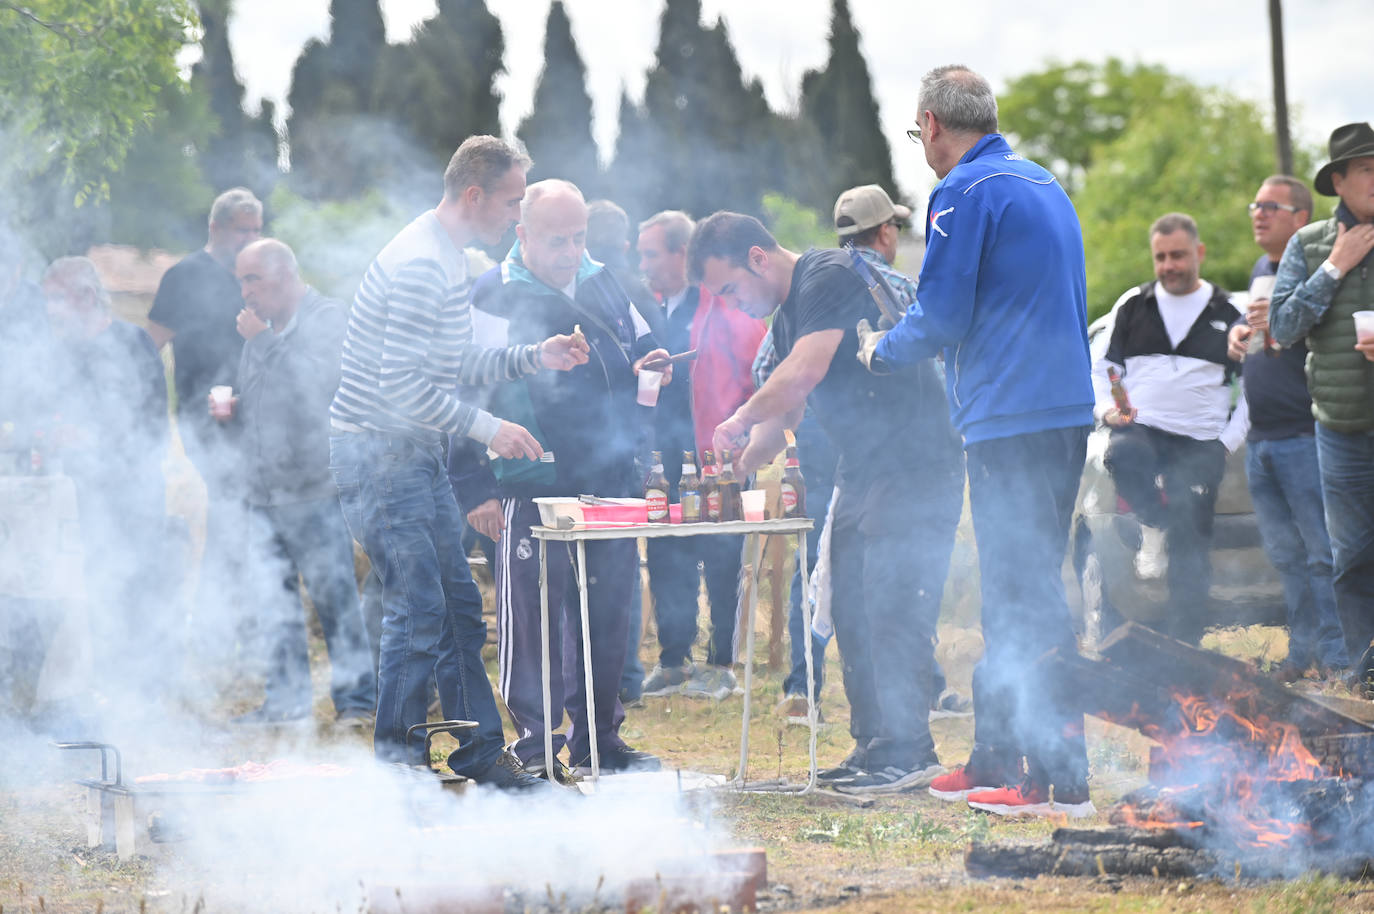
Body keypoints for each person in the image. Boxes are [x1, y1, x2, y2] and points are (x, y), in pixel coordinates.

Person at [861, 65, 1095, 817]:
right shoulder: (1043, 182)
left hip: (1013, 414)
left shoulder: (963, 190)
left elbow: (939, 317)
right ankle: (995, 754)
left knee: (1024, 598)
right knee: (1015, 591)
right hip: (1060, 407)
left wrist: (878, 350)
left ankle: (1057, 779)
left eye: (916, 132)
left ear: (931, 124)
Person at [328, 136, 588, 791]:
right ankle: (399, 771)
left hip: (413, 450)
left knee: (459, 609)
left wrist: (536, 355)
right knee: (418, 611)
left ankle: (479, 757)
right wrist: (490, 427)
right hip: (378, 452)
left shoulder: (449, 258)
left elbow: (451, 368)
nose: (516, 216)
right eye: (511, 202)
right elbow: (399, 388)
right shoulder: (421, 263)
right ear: (474, 195)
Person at [694, 212, 965, 795]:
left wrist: (739, 417)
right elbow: (788, 414)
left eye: (731, 289)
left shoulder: (827, 275)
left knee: (893, 609)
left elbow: (801, 374)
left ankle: (910, 750)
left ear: (759, 258)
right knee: (849, 608)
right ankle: (873, 746)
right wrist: (744, 459)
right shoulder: (789, 311)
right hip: (863, 468)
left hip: (917, 463)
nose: (733, 304)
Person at [452, 179, 664, 780]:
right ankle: (534, 746)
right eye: (555, 240)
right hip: (527, 479)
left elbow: (642, 346)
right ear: (521, 234)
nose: (570, 252)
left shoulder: (604, 281)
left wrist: (651, 369)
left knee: (607, 613)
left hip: (609, 475)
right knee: (534, 619)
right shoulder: (492, 292)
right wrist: (474, 486)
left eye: (578, 238)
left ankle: (599, 741)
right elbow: (464, 387)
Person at [211, 239, 377, 726]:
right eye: (241, 281)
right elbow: (272, 399)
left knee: (335, 599)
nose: (244, 293)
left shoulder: (326, 317)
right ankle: (285, 704)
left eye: (252, 280)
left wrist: (264, 340)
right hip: (264, 493)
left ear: (283, 274)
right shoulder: (263, 329)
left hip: (315, 489)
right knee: (273, 601)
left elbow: (320, 387)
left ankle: (357, 704)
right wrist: (234, 412)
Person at [1094, 213, 1248, 643]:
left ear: (1198, 254)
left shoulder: (1229, 313)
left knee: (1192, 546)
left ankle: (1186, 649)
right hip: (1144, 431)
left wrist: (1225, 444)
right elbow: (1100, 369)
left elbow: (1253, 388)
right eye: (1161, 257)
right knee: (1121, 453)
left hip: (1201, 441)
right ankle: (1152, 521)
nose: (1169, 265)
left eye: (1178, 255)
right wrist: (1108, 411)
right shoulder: (1132, 305)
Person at [635, 210, 766, 701]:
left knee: (723, 555)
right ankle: (673, 661)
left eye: (650, 254)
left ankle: (721, 664)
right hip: (662, 455)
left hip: (718, 453)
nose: (643, 264)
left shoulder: (721, 306)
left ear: (680, 254)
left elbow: (758, 374)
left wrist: (743, 439)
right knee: (668, 552)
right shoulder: (648, 309)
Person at [1227, 178, 1350, 681]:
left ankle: (1341, 659)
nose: (1258, 213)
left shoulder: (1313, 270)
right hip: (1262, 440)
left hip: (1304, 434)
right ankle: (1302, 655)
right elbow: (1263, 337)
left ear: (1300, 217)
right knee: (1285, 557)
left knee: (1324, 554)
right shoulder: (1261, 269)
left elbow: (1319, 337)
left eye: (1270, 207)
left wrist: (1278, 328)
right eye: (1255, 204)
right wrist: (1240, 336)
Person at [1270, 122, 1374, 673]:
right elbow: (1283, 327)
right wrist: (1337, 265)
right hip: (1340, 428)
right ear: (1338, 181)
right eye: (1366, 169)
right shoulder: (1307, 245)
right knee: (1352, 558)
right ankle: (1364, 673)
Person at [42, 257, 170, 699]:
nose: (49, 310)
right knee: (97, 592)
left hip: (134, 496)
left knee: (139, 593)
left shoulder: (132, 343)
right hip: (82, 498)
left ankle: (148, 693)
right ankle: (110, 689)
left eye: (56, 299)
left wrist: (92, 438)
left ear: (86, 297)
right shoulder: (64, 352)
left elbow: (153, 426)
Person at [147, 188, 263, 669]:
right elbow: (150, 344)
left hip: (258, 416)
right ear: (215, 228)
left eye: (257, 230)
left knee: (249, 519)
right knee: (231, 512)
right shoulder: (185, 276)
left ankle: (239, 628)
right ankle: (218, 632)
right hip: (205, 417)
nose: (250, 239)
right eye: (242, 230)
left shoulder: (255, 275)